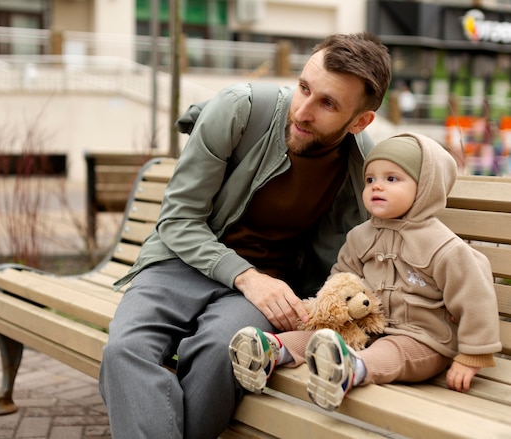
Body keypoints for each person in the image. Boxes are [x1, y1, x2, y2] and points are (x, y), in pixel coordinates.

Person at [98, 32, 392, 438]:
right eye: (304, 88)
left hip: (268, 283)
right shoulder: (241, 109)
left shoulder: (358, 166)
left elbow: (340, 258)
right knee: (124, 352)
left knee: (221, 353)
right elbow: (179, 218)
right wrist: (245, 276)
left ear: (359, 121)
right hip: (183, 262)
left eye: (327, 103)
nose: (302, 111)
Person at [229, 133, 502, 412]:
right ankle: (272, 349)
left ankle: (350, 369)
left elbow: (475, 297)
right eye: (370, 179)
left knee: (393, 351)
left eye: (391, 179)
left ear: (425, 187)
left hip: (422, 339)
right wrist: (331, 308)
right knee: (326, 334)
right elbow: (343, 277)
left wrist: (471, 355)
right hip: (366, 328)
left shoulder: (443, 246)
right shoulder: (361, 236)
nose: (376, 187)